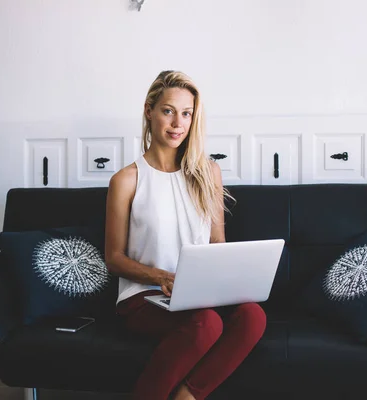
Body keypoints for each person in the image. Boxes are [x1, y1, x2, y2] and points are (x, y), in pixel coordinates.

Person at [104, 70, 267, 400]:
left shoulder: (208, 172)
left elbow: (216, 243)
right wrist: (161, 276)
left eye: (187, 113)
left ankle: (187, 397)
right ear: (149, 110)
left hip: (199, 295)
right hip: (145, 296)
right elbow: (114, 258)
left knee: (252, 315)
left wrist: (229, 279)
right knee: (206, 323)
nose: (178, 123)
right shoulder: (126, 180)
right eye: (168, 110)